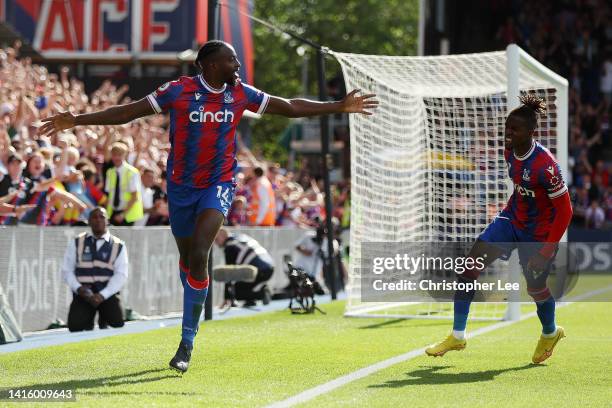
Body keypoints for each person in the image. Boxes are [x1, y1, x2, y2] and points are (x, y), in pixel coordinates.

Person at [40, 39, 377, 373]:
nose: (238, 67)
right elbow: (128, 112)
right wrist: (77, 120)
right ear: (213, 65)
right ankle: (192, 287)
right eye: (232, 61)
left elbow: (288, 106)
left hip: (218, 184)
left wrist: (338, 105)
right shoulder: (178, 90)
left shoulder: (241, 93)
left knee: (201, 252)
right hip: (180, 187)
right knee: (188, 260)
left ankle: (187, 341)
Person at [425, 95, 573, 364]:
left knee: (536, 289)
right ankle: (458, 335)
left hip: (538, 233)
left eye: (514, 130)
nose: (508, 134)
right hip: (510, 220)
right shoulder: (509, 151)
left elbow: (565, 211)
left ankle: (550, 332)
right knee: (469, 266)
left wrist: (547, 248)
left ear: (531, 132)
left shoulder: (546, 166)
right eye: (507, 128)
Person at [61, 207, 128, 332]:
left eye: (102, 217)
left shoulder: (118, 245)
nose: (98, 220)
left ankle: (104, 318)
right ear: (89, 221)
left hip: (106, 294)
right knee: (75, 327)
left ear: (107, 221)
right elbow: (67, 270)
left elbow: (121, 275)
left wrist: (103, 295)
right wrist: (78, 288)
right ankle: (88, 318)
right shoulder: (77, 242)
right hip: (84, 294)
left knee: (117, 323)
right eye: (94, 217)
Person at [214, 228, 274, 307]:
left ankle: (261, 294)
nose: (215, 243)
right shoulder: (240, 237)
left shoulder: (230, 246)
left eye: (216, 239)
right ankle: (252, 299)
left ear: (223, 236)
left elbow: (228, 274)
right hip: (270, 266)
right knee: (241, 283)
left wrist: (227, 298)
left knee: (235, 290)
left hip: (259, 270)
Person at [104, 142, 144, 226]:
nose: (117, 157)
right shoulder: (110, 172)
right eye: (114, 154)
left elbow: (135, 196)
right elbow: (109, 196)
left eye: (119, 154)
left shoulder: (132, 172)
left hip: (128, 215)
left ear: (125, 155)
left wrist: (123, 214)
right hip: (113, 213)